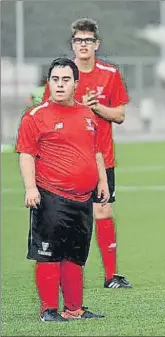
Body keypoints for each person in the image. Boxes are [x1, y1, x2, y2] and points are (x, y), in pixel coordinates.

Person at [15, 57, 109, 322]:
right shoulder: (36, 117)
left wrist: (102, 182)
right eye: (55, 79)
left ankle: (75, 309)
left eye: (65, 80)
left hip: (83, 199)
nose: (59, 85)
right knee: (49, 254)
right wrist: (30, 188)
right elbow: (26, 154)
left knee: (75, 255)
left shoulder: (88, 114)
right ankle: (48, 310)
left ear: (76, 84)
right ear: (49, 82)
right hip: (51, 196)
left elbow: (96, 151)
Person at [43, 18, 132, 288]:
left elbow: (119, 115)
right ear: (73, 44)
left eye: (88, 40)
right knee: (65, 219)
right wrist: (78, 107)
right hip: (68, 161)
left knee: (103, 213)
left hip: (102, 158)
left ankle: (111, 275)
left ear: (96, 44)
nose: (83, 45)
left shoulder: (110, 74)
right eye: (79, 40)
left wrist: (95, 108)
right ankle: (60, 274)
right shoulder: (62, 74)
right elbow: (50, 113)